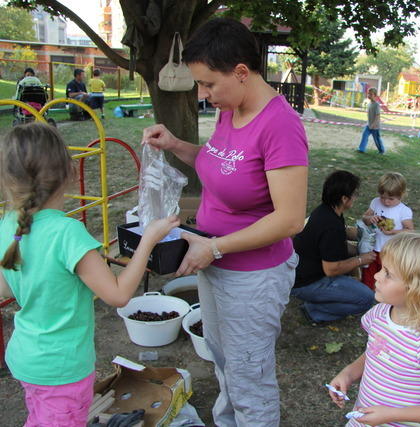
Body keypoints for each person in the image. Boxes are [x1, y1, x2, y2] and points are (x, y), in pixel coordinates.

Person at [141, 18, 308, 427]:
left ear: (241, 73)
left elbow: (289, 219)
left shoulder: (280, 125)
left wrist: (215, 247)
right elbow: (221, 165)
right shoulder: (230, 110)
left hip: (253, 276)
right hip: (214, 263)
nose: (202, 94)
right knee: (223, 362)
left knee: (249, 376)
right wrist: (176, 145)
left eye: (208, 84)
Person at [0, 122, 179, 427]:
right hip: (62, 368)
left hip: (26, 357)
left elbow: (5, 289)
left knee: (40, 416)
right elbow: (119, 295)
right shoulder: (68, 233)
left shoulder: (8, 224)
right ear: (70, 172)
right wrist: (148, 239)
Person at [328, 232, 420, 427]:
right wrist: (348, 373)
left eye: (388, 274)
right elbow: (375, 352)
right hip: (362, 421)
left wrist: (391, 414)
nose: (376, 276)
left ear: (418, 289)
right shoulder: (380, 314)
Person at [292, 170, 376, 324]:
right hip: (307, 283)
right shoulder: (331, 226)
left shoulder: (327, 210)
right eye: (354, 194)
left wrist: (363, 235)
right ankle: (315, 311)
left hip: (299, 274)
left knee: (352, 256)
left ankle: (322, 300)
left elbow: (341, 235)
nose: (356, 198)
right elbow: (331, 269)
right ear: (344, 199)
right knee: (367, 299)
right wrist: (360, 259)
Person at [361, 172, 414, 289]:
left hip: (391, 251)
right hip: (372, 247)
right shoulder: (375, 202)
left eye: (391, 199)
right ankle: (367, 293)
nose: (386, 202)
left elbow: (410, 231)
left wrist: (393, 232)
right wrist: (370, 218)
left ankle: (384, 296)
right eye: (383, 197)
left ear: (401, 195)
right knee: (369, 274)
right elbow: (364, 218)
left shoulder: (403, 211)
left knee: (387, 276)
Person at [357, 87, 385, 154]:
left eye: (371, 94)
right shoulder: (369, 104)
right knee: (364, 135)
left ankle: (381, 150)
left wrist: (373, 125)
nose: (369, 95)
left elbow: (377, 116)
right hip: (368, 125)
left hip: (375, 126)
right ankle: (361, 149)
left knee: (377, 140)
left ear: (375, 96)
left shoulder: (377, 105)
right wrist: (368, 123)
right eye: (368, 94)